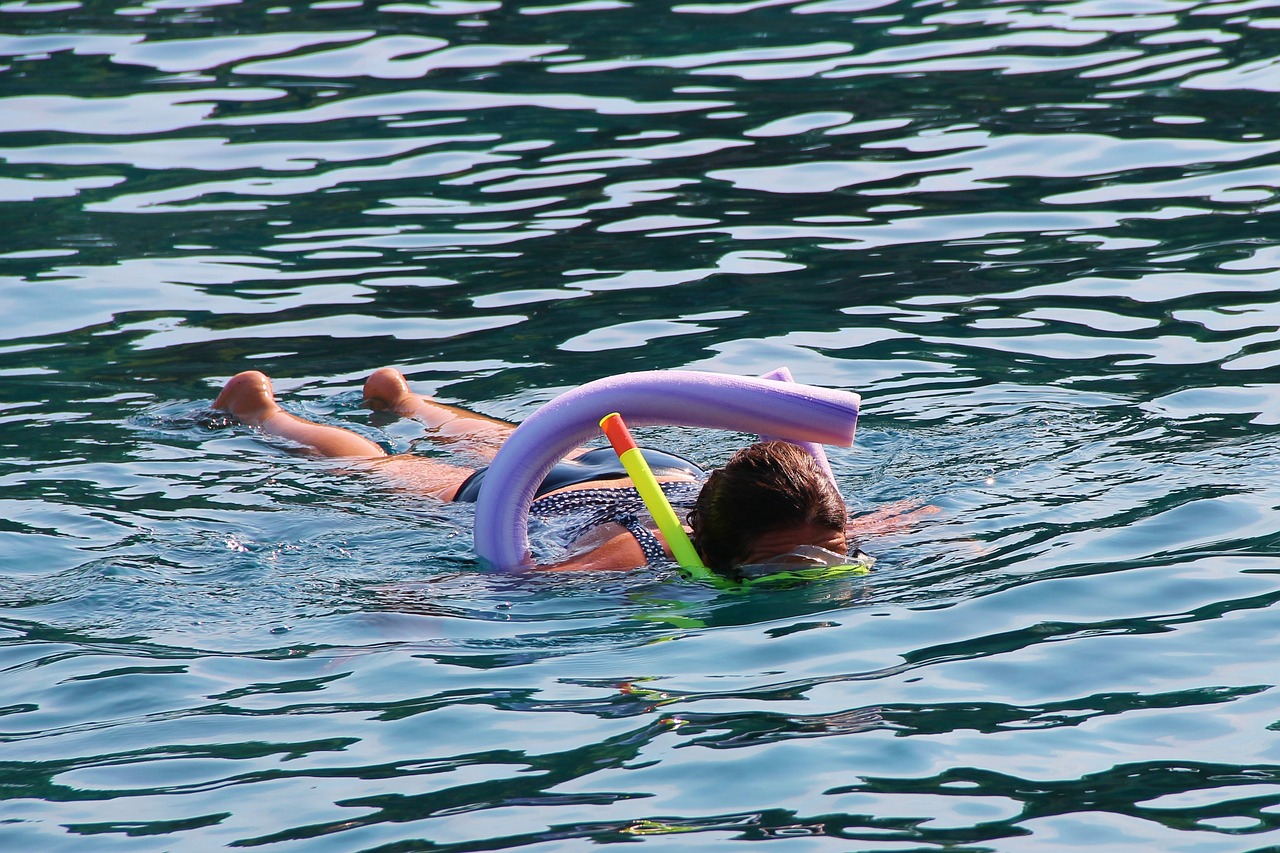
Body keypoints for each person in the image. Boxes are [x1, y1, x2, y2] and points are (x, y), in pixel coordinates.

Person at [214, 368, 898, 577]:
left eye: (829, 556)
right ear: (716, 553)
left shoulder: (812, 523)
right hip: (550, 496)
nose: (814, 570)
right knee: (379, 465)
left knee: (529, 439)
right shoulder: (640, 550)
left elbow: (893, 526)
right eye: (781, 569)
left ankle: (407, 399)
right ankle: (265, 413)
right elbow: (532, 582)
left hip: (662, 471)